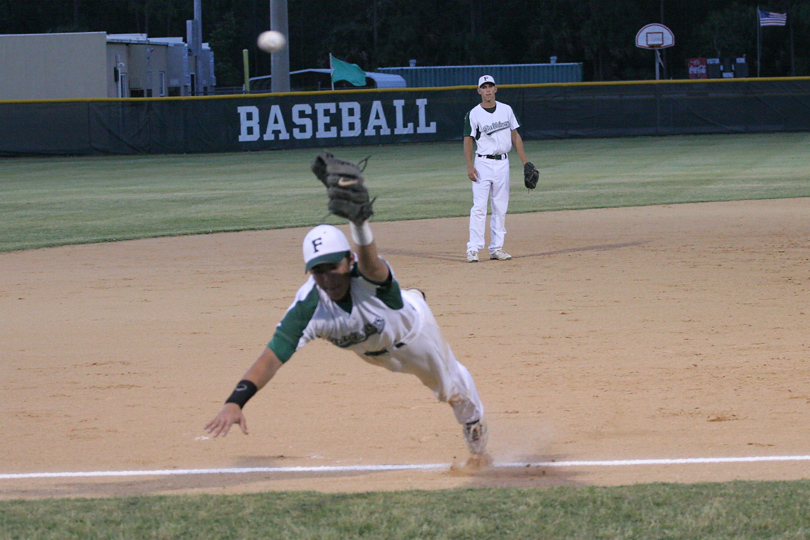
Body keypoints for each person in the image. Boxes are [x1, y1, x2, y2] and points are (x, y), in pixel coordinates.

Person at [204, 180, 488, 455]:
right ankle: (408, 294)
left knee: (452, 390)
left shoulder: (366, 274)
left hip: (414, 336)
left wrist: (360, 224)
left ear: (349, 261)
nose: (327, 278)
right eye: (318, 271)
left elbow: (370, 260)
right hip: (371, 349)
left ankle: (473, 423)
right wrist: (235, 401)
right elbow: (271, 358)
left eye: (333, 266)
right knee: (377, 330)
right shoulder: (309, 307)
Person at [463, 74, 531, 263]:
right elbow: (468, 140)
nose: (487, 90)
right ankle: (473, 248)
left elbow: (515, 136)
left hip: (503, 162)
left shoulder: (506, 110)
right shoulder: (474, 113)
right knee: (479, 207)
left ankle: (496, 248)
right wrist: (470, 165)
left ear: (495, 89)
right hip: (482, 163)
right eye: (483, 87)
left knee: (500, 207)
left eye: (490, 86)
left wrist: (525, 162)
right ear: (479, 91)